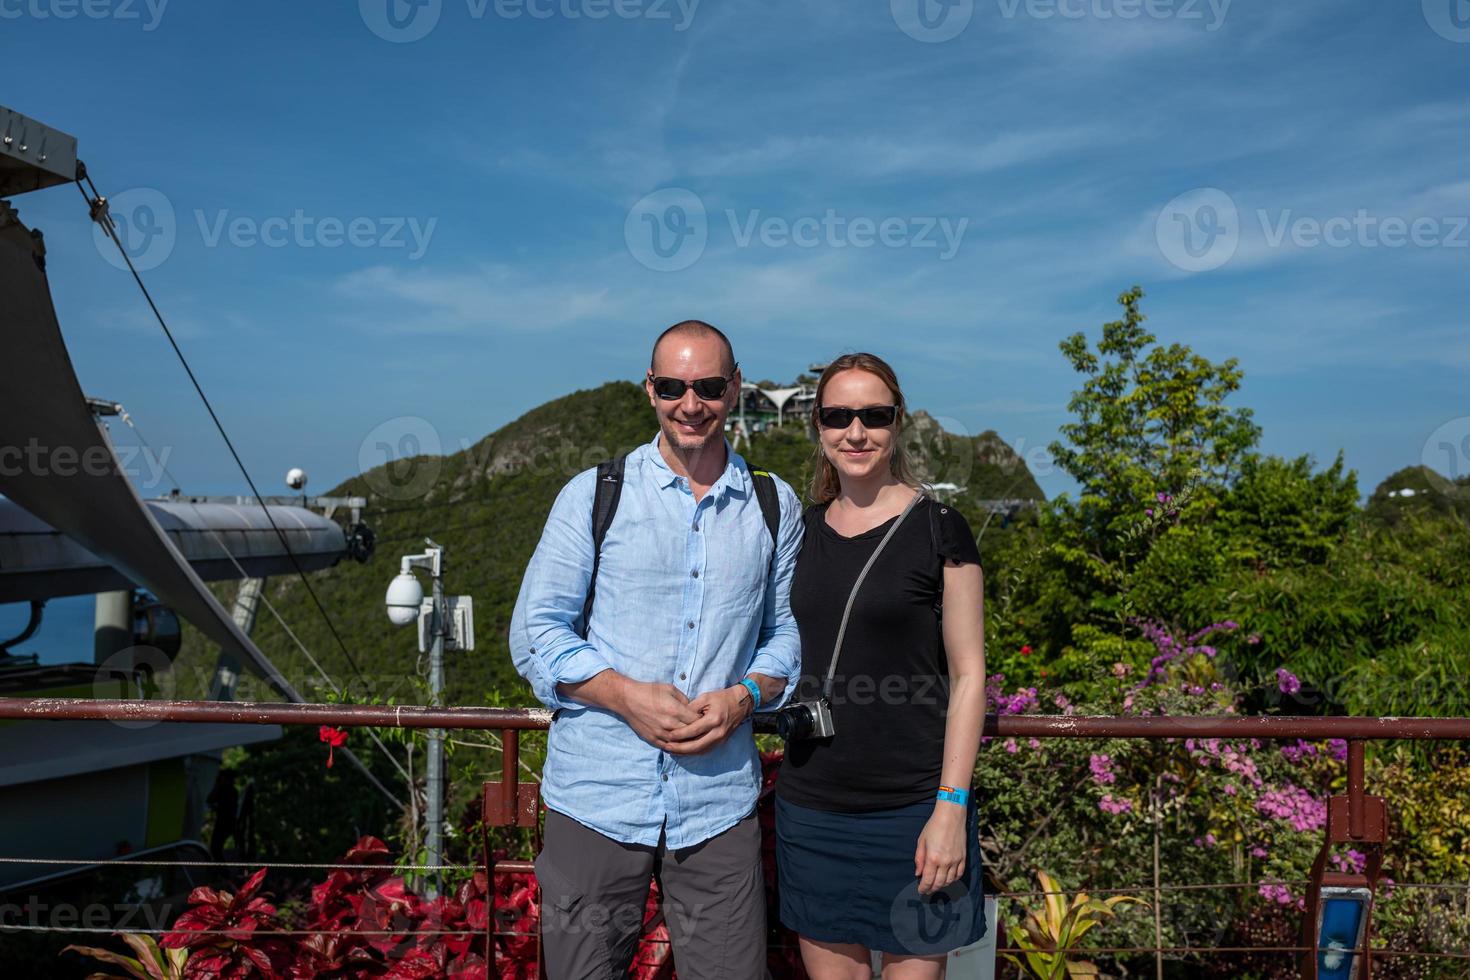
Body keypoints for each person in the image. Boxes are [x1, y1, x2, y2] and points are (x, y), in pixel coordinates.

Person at [509, 319, 803, 979]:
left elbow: (787, 635)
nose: (690, 404)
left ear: (734, 387)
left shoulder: (772, 506)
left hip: (717, 801)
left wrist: (742, 699)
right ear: (649, 389)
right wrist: (625, 697)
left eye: (706, 386)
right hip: (597, 794)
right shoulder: (593, 495)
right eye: (672, 385)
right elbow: (536, 632)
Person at [774, 352, 988, 978]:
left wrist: (950, 808)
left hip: (917, 812)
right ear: (818, 425)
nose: (856, 432)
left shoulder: (941, 530)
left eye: (873, 415)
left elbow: (970, 674)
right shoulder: (799, 534)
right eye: (839, 416)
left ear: (898, 423)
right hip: (813, 810)